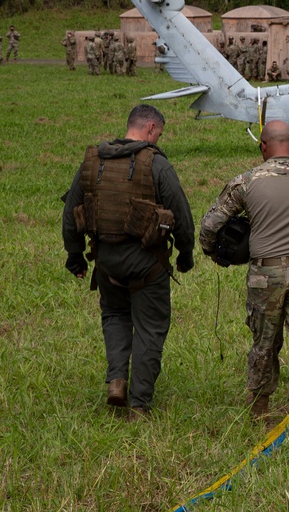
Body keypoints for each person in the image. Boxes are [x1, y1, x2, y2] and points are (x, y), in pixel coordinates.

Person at [199, 120, 289, 438]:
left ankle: (259, 406)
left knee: (264, 342)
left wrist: (214, 252)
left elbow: (210, 224)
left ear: (263, 147)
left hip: (266, 273)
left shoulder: (246, 182)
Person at [61, 104, 196, 419]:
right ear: (150, 129)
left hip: (106, 263)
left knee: (116, 318)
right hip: (147, 265)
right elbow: (181, 214)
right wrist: (186, 255)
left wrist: (74, 255)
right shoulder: (156, 164)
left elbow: (71, 212)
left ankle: (117, 382)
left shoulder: (93, 162)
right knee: (150, 329)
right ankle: (139, 405)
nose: (159, 140)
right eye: (159, 134)